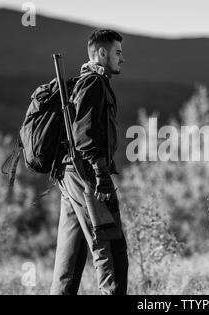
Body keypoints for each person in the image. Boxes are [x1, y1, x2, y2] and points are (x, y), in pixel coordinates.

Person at [50, 29, 128, 295]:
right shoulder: (94, 83)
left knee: (69, 258)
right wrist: (101, 173)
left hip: (69, 174)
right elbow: (84, 134)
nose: (122, 58)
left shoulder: (86, 82)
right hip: (87, 176)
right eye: (118, 52)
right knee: (111, 250)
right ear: (102, 53)